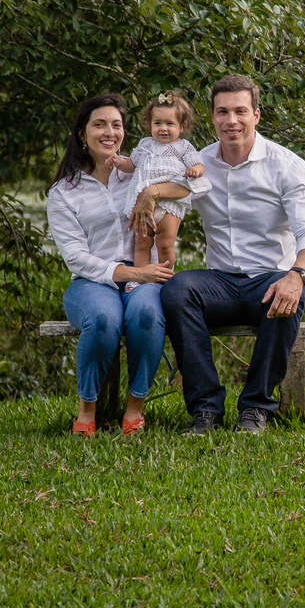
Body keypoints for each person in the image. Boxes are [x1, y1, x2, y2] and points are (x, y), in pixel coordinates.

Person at [153, 74, 305, 435]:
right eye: (222, 112)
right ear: (213, 116)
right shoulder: (198, 165)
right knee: (177, 290)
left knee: (288, 294)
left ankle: (256, 408)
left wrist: (296, 276)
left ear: (256, 115)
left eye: (240, 111)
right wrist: (149, 195)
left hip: (270, 279)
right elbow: (166, 214)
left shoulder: (286, 165)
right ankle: (205, 411)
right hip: (219, 283)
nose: (231, 120)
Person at [46, 94, 189, 436]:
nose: (109, 132)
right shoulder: (64, 192)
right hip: (93, 280)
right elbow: (75, 256)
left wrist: (153, 192)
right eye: (99, 125)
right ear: (82, 134)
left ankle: (135, 407)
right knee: (103, 318)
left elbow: (193, 185)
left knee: (146, 314)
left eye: (116, 125)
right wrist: (133, 273)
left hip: (146, 277)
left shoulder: (140, 172)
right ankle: (87, 409)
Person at [110, 90, 207, 292]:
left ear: (182, 126)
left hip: (169, 205)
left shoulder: (183, 147)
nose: (163, 128)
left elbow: (198, 164)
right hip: (142, 206)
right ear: (150, 124)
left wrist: (195, 170)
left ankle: (166, 277)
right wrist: (119, 162)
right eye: (158, 123)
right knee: (141, 243)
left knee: (165, 244)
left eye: (170, 124)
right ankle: (138, 278)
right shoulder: (145, 145)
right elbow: (132, 165)